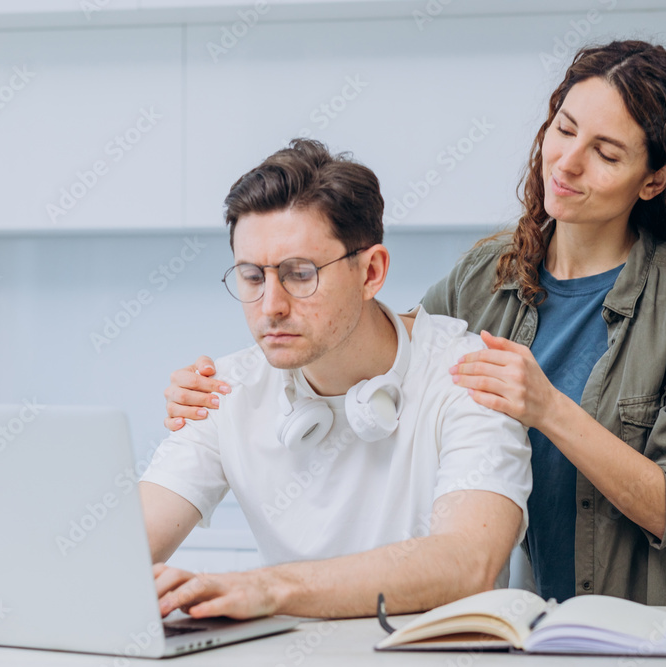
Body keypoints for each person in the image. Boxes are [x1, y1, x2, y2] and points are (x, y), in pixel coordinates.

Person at [161, 40, 666, 607]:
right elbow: (388, 340)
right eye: (563, 130)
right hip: (535, 612)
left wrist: (548, 408)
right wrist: (248, 369)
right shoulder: (491, 271)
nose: (566, 163)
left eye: (605, 153)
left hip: (655, 617)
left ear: (654, 178)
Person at [139, 139, 532, 621]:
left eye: (300, 274)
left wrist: (269, 588)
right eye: (252, 277)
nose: (271, 307)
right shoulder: (223, 389)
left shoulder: (469, 376)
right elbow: (122, 550)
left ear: (371, 272)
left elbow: (469, 563)